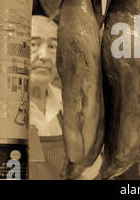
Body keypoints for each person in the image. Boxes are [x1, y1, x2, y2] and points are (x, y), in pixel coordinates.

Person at [28, 15, 102, 180]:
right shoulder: (3, 109)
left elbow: (88, 173)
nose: (44, 56)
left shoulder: (71, 105)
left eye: (53, 46)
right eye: (33, 44)